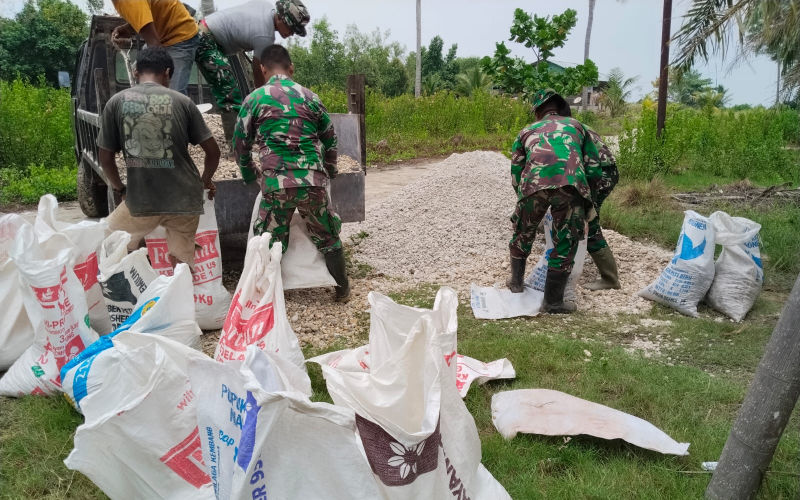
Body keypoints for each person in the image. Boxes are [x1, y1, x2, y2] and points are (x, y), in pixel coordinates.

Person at [233, 44, 349, 302]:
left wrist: (250, 174)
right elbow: (330, 138)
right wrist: (330, 170)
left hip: (276, 184)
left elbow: (240, 143)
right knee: (328, 236)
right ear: (291, 68)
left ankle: (266, 298)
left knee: (268, 239)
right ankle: (343, 290)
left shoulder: (254, 99)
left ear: (263, 69)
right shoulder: (311, 97)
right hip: (312, 182)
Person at [97, 47, 220, 270]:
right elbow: (213, 152)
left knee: (112, 241)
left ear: (135, 72)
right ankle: (182, 286)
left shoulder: (115, 103)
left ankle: (129, 286)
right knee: (182, 264)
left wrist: (121, 189)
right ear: (167, 73)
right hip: (185, 199)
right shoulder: (183, 102)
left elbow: (105, 158)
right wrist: (205, 180)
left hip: (142, 199)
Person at [506, 89, 596, 314]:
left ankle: (516, 283)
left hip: (533, 185)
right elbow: (594, 167)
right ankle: (553, 302)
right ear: (561, 109)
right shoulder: (577, 127)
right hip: (571, 186)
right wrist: (588, 199)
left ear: (538, 112)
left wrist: (523, 198)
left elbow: (516, 171)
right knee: (565, 242)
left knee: (523, 233)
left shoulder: (526, 131)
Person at [559, 103, 621, 291]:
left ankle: (610, 278)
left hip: (598, 174)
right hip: (605, 171)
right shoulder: (577, 126)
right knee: (581, 216)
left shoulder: (564, 130)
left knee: (588, 220)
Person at [111, 0, 200, 96]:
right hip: (161, 37)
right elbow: (143, 15)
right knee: (143, 76)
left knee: (172, 95)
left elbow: (155, 46)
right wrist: (127, 28)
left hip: (180, 36)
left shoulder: (129, 1)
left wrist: (160, 78)